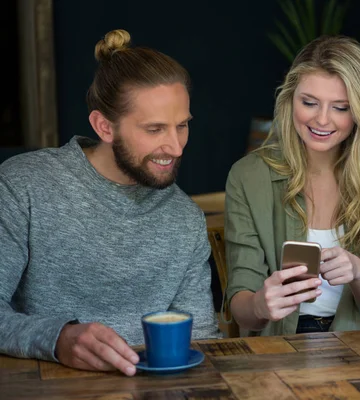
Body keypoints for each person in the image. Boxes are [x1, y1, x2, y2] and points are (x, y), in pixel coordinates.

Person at [0, 29, 220, 376]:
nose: (176, 147)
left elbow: (203, 339)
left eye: (182, 126)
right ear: (104, 126)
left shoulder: (185, 218)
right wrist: (58, 339)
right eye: (155, 129)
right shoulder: (23, 186)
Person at [225, 35, 360, 336]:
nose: (322, 119)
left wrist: (358, 272)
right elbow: (242, 309)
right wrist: (261, 305)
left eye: (340, 107)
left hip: (357, 345)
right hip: (278, 349)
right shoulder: (249, 176)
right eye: (309, 102)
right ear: (289, 99)